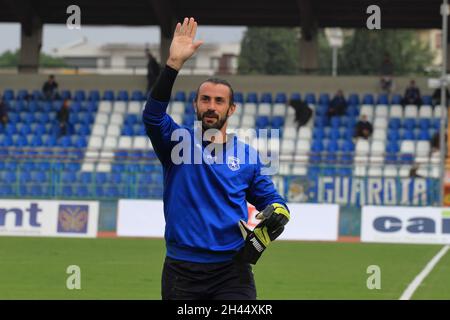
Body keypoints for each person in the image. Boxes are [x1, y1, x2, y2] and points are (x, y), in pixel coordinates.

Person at [142, 17, 290, 300]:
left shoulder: (248, 156)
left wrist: (275, 218)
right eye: (205, 99)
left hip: (232, 272)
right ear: (195, 105)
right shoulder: (176, 141)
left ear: (231, 109)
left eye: (219, 101)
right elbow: (152, 116)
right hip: (181, 272)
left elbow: (275, 203)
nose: (211, 106)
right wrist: (173, 64)